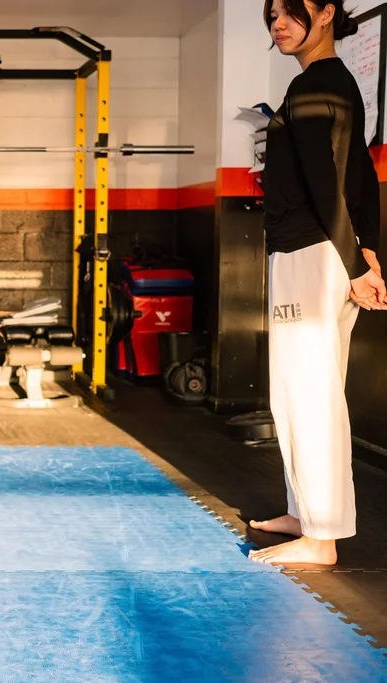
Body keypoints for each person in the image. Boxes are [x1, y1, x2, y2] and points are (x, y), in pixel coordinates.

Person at [251, 0, 387, 565]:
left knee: (307, 391)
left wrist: (358, 264)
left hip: (312, 253)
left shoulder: (313, 89)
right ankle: (305, 512)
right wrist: (369, 255)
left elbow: (330, 185)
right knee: (301, 387)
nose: (278, 23)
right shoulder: (337, 82)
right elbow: (362, 177)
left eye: (290, 11)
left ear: (326, 12)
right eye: (272, 15)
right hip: (326, 252)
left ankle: (322, 535)